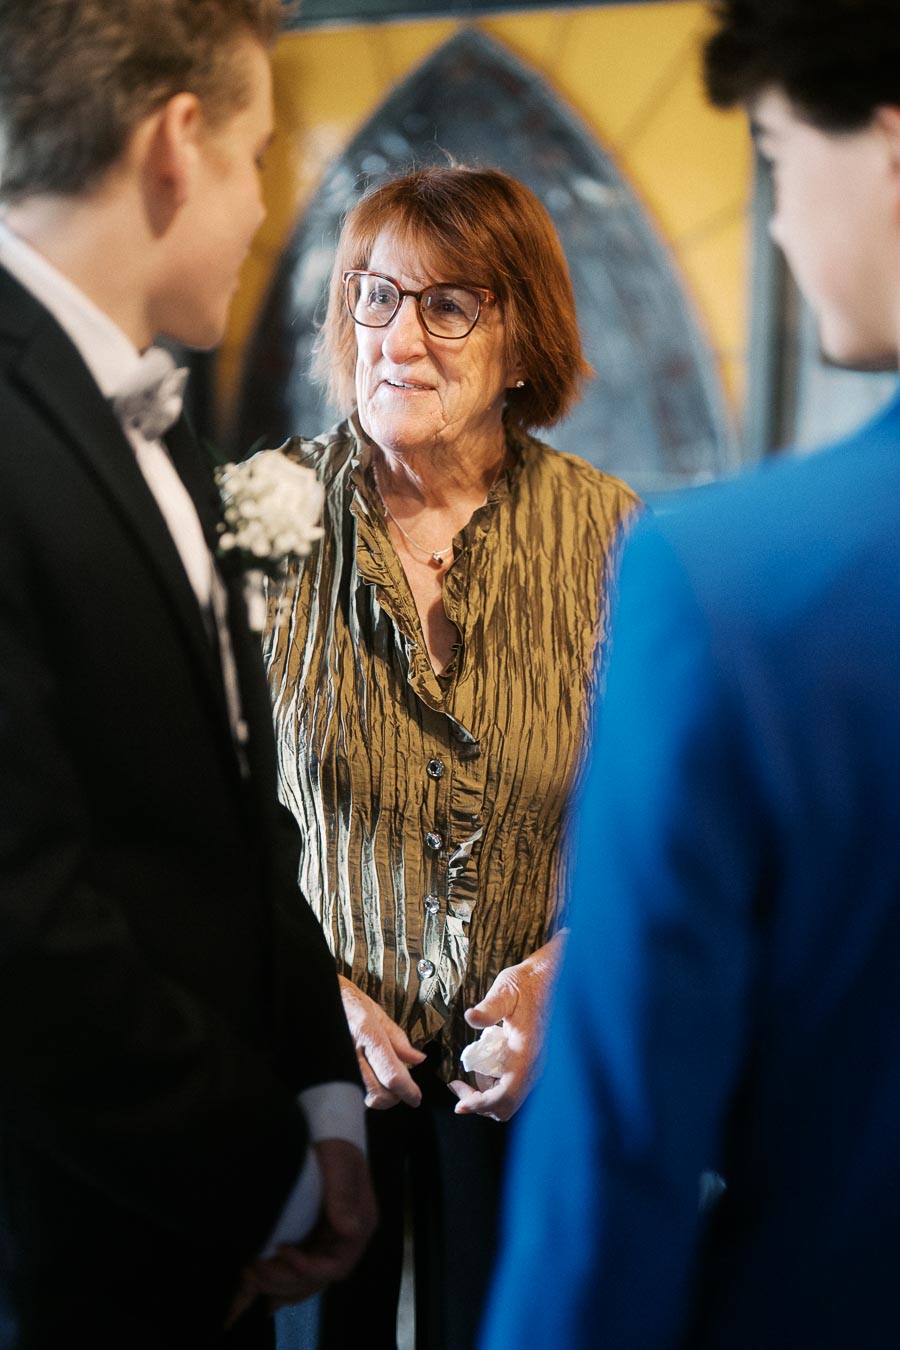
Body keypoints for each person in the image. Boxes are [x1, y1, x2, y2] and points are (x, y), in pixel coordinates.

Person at [481, 2, 900, 1347]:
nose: (778, 223)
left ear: (889, 149)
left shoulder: (730, 586)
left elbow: (616, 1156)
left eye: (778, 155)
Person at [0, 3, 376, 1347]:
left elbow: (230, 813)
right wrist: (257, 1166)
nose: (267, 202)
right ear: (176, 145)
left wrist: (323, 1090)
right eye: (258, 155)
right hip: (64, 1237)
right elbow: (22, 924)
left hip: (189, 1229)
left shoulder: (150, 420)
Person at [262, 165, 640, 1348]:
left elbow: (662, 820)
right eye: (374, 297)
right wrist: (304, 997)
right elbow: (180, 809)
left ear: (523, 337)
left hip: (534, 1071)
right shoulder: (254, 518)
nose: (398, 339)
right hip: (311, 1070)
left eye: (449, 305)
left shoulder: (615, 536)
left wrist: (572, 970)